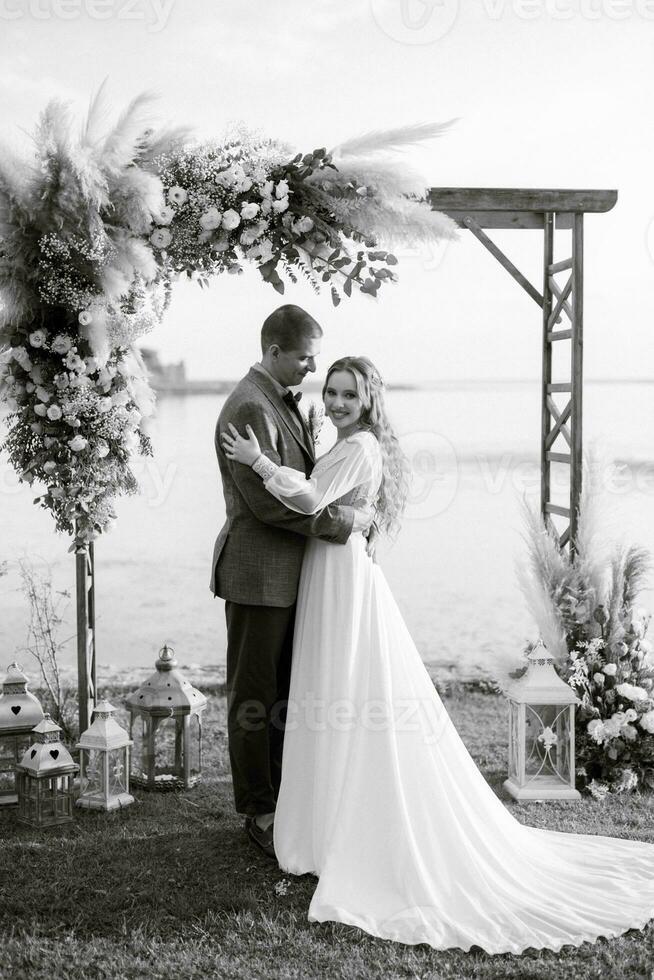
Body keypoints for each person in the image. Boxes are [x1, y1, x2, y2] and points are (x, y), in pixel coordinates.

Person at [221, 354, 654, 955]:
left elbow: (311, 499)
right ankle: (325, 819)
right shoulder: (354, 443)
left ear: (370, 399)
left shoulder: (361, 448)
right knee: (333, 687)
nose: (339, 401)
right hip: (333, 572)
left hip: (341, 578)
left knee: (344, 686)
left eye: (350, 393)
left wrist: (259, 461)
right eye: (333, 392)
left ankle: (341, 822)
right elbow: (332, 503)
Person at [210, 306, 372, 860]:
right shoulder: (249, 406)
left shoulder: (283, 401)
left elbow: (306, 482)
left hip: (289, 576)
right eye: (306, 357)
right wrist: (346, 524)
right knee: (254, 699)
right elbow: (266, 505)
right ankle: (258, 810)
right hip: (257, 575)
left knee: (283, 695)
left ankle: (286, 800)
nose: (312, 368)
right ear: (275, 351)